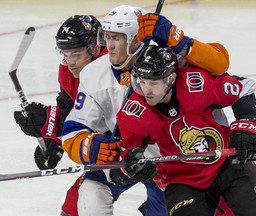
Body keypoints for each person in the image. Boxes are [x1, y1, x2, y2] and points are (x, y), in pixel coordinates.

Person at [61, 5, 232, 216]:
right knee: (89, 192)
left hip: (176, 164)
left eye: (117, 38)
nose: (109, 46)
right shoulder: (93, 74)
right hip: (129, 156)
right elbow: (75, 127)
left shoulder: (167, 60)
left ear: (135, 39)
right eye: (107, 37)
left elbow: (220, 63)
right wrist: (88, 147)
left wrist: (179, 40)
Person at [116, 45, 256, 216]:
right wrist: (133, 163)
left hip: (226, 164)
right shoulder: (134, 110)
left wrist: (245, 125)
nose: (146, 90)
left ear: (171, 78)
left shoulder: (196, 84)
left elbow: (245, 87)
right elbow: (127, 152)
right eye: (142, 82)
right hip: (181, 180)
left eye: (153, 82)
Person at [13, 15, 106, 216]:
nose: (69, 62)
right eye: (65, 55)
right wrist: (52, 142)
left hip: (135, 152)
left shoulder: (111, 73)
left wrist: (50, 123)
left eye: (76, 54)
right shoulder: (67, 70)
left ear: (95, 49)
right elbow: (67, 106)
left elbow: (105, 126)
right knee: (74, 207)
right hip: (103, 157)